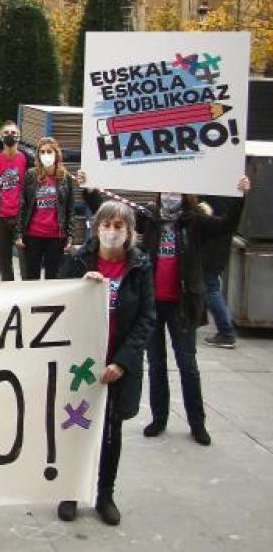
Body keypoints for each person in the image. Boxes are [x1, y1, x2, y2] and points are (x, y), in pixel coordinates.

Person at [56, 200, 156, 526]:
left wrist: (123, 362)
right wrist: (79, 287)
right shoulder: (77, 260)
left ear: (129, 233)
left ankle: (105, 494)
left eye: (119, 226)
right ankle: (70, 491)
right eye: (106, 225)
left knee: (111, 432)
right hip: (81, 364)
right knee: (76, 427)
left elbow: (146, 318)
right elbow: (55, 303)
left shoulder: (140, 267)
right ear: (95, 227)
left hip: (116, 366)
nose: (111, 232)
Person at [135, 183, 246, 446]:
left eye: (176, 190)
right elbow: (115, 217)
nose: (170, 196)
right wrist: (91, 189)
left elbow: (226, 226)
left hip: (183, 305)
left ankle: (197, 423)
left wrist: (241, 196)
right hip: (153, 303)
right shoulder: (150, 218)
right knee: (156, 364)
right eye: (166, 190)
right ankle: (159, 418)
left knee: (188, 365)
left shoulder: (194, 221)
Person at [14, 137, 76, 281]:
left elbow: (70, 208)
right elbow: (22, 204)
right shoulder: (31, 175)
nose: (46, 155)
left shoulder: (65, 177)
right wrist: (18, 233)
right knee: (31, 277)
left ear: (56, 153)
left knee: (52, 277)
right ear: (38, 155)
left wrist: (70, 235)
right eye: (42, 152)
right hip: (33, 235)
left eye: (49, 151)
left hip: (56, 236)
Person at [200, 179, 251, 348]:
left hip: (211, 247)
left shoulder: (216, 193)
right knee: (210, 285)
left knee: (211, 287)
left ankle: (226, 332)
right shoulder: (222, 189)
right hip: (215, 246)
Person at [0, 121, 31, 281]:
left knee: (25, 260)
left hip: (21, 217)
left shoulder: (27, 159)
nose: (10, 135)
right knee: (4, 260)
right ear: (1, 137)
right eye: (6, 132)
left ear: (19, 137)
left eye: (13, 132)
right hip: (0, 218)